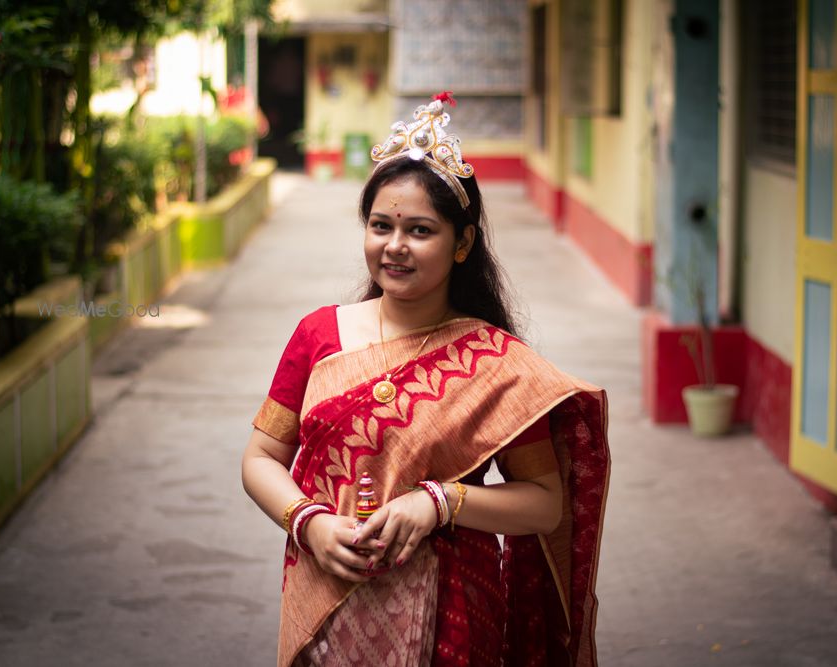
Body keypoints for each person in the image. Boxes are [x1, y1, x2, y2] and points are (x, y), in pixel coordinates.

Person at [242, 92, 610, 666]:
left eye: (419, 230)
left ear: (462, 244)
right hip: (325, 596)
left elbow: (544, 506)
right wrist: (307, 523)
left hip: (454, 614)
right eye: (380, 225)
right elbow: (261, 457)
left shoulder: (491, 363)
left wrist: (440, 503)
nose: (394, 247)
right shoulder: (319, 336)